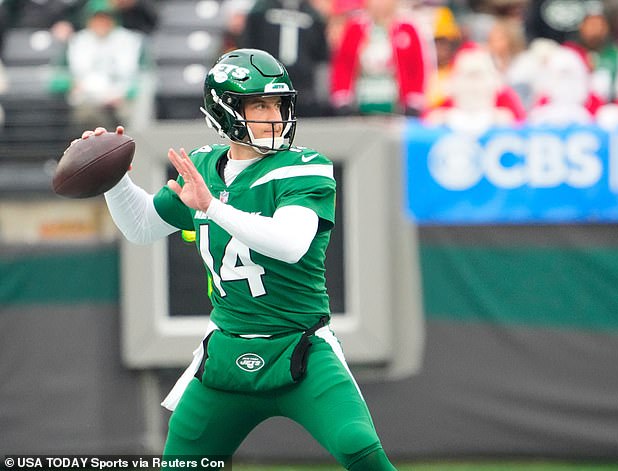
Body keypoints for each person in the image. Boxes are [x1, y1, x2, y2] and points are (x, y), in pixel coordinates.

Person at [82, 49, 397, 470]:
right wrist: (113, 179)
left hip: (299, 348)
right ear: (225, 112)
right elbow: (141, 227)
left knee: (358, 446)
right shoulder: (203, 167)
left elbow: (290, 242)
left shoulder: (305, 167)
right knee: (183, 460)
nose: (275, 116)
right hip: (227, 351)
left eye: (278, 104)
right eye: (259, 105)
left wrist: (212, 207)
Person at [49, 0, 150, 133]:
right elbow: (55, 80)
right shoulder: (76, 42)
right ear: (88, 20)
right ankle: (105, 145)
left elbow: (145, 77)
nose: (101, 23)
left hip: (123, 100)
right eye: (97, 19)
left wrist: (125, 93)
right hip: (88, 100)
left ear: (114, 19)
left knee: (131, 112)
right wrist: (71, 83)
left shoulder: (132, 41)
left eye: (105, 18)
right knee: (86, 113)